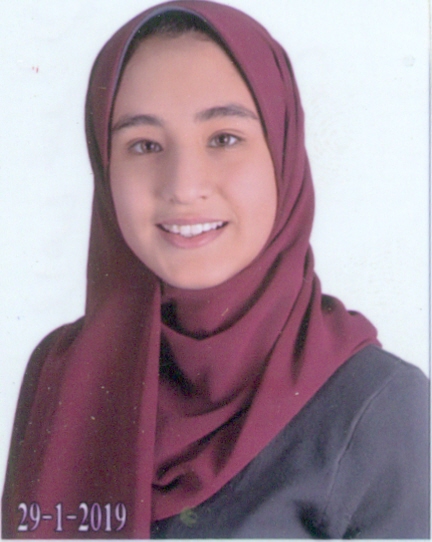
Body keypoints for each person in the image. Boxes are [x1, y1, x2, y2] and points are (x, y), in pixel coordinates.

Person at [2, 1, 428, 538]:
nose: (183, 186)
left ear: (282, 152)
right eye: (144, 145)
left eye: (224, 138)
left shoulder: (379, 407)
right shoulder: (63, 372)